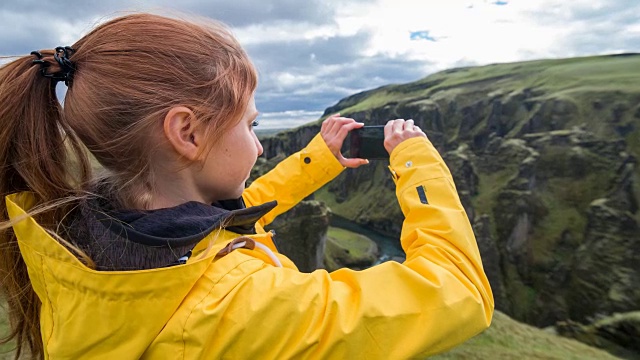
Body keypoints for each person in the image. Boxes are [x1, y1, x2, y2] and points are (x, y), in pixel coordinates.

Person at [0, 13, 493, 359]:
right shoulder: (242, 308)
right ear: (187, 133)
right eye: (251, 125)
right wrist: (418, 161)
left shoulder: (86, 233)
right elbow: (460, 292)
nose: (258, 147)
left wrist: (317, 160)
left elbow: (220, 222)